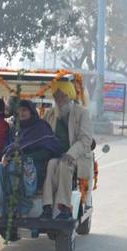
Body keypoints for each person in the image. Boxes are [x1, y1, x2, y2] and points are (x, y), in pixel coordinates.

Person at [0, 100, 62, 217]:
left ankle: (22, 208)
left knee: (16, 166)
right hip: (15, 160)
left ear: (31, 111)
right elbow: (7, 147)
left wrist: (26, 157)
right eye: (18, 111)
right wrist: (5, 156)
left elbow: (49, 150)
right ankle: (1, 209)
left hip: (35, 164)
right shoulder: (14, 129)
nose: (21, 113)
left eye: (24, 110)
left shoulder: (41, 127)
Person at [40, 81, 93, 220]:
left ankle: (64, 208)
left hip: (75, 157)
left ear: (69, 96)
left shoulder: (82, 113)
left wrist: (70, 154)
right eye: (56, 96)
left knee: (65, 164)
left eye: (63, 96)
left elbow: (86, 140)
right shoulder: (50, 114)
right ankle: (47, 207)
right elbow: (42, 134)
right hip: (55, 156)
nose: (59, 100)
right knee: (51, 165)